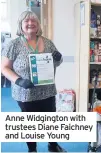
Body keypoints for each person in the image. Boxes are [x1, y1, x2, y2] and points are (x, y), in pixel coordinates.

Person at [1, 11, 66, 152]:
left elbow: (58, 61)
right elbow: (4, 68)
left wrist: (59, 57)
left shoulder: (48, 42)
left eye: (34, 21)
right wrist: (18, 80)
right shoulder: (14, 45)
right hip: (26, 93)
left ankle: (53, 145)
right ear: (21, 25)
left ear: (38, 25)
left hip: (47, 91)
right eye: (27, 21)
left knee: (51, 122)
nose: (30, 23)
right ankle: (32, 149)